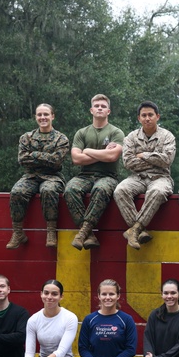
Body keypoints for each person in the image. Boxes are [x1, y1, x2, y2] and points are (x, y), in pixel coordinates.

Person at [6, 103, 71, 249]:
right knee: (17, 192)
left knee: (48, 190)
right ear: (36, 117)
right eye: (40, 115)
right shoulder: (27, 137)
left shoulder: (61, 139)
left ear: (52, 116)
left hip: (52, 176)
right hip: (30, 176)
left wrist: (34, 155)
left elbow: (56, 162)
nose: (43, 117)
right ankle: (18, 233)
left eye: (46, 114)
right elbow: (22, 159)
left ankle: (51, 231)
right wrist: (45, 157)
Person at [65, 93, 125, 250]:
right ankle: (89, 234)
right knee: (70, 189)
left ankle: (83, 232)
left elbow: (112, 156)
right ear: (91, 110)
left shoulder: (116, 132)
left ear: (108, 111)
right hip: (84, 176)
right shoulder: (82, 133)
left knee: (100, 189)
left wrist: (88, 150)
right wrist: (102, 153)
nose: (100, 108)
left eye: (103, 106)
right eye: (97, 106)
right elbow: (76, 159)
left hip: (108, 177)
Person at [115, 101, 177, 250]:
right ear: (139, 118)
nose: (147, 118)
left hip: (160, 177)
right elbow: (128, 162)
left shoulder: (167, 136)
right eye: (144, 115)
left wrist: (143, 155)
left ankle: (134, 230)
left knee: (157, 192)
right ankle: (139, 231)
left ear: (157, 116)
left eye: (150, 115)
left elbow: (167, 160)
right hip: (137, 177)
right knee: (120, 190)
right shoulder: (131, 137)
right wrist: (155, 159)